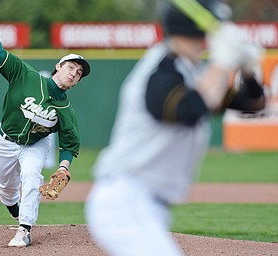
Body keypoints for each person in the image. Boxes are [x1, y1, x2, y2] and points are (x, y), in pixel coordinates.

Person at [85, 0, 265, 255]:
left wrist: (247, 70)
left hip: (148, 206)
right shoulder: (161, 69)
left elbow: (253, 103)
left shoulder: (192, 71)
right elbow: (188, 109)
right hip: (124, 200)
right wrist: (222, 64)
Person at [0, 11, 91, 247]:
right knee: (6, 189)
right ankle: (15, 210)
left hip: (36, 145)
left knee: (31, 176)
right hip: (5, 141)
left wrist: (63, 167)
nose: (74, 74)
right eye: (71, 67)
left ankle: (24, 229)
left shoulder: (66, 110)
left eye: (79, 73)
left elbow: (70, 145)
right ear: (58, 67)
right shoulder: (25, 75)